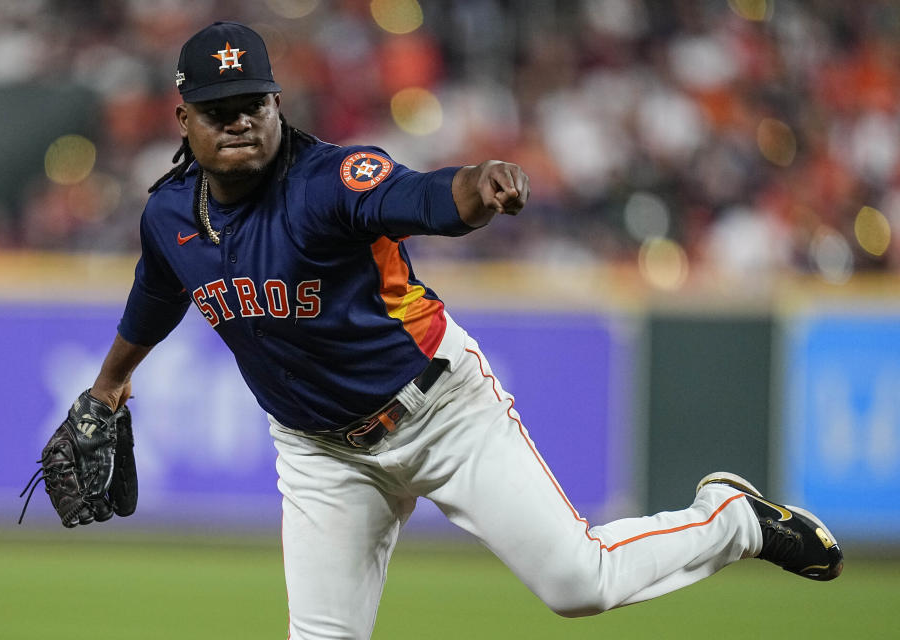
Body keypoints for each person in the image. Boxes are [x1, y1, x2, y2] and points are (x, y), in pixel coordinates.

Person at [86, 21, 842, 639]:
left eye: (254, 101)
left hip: (442, 412)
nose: (241, 119)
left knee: (582, 583)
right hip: (321, 455)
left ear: (280, 103)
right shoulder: (169, 216)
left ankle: (732, 520)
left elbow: (421, 197)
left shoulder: (327, 183)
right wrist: (112, 380)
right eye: (221, 108)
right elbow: (157, 292)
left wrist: (478, 187)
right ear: (183, 118)